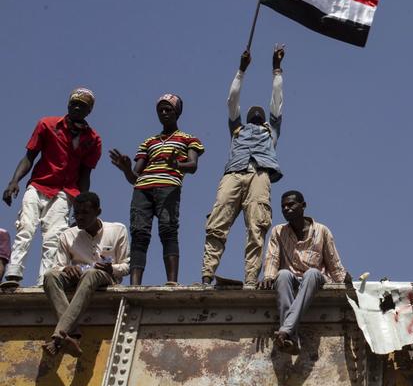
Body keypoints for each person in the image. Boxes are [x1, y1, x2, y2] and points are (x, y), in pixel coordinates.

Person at [202, 45, 285, 288]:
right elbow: (232, 100)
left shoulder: (272, 130)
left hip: (260, 174)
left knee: (256, 227)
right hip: (234, 174)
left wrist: (276, 70)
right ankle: (207, 274)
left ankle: (250, 279)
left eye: (261, 113)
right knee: (218, 222)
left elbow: (277, 101)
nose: (258, 114)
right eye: (253, 113)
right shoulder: (237, 129)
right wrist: (241, 70)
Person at [3, 87, 102, 285]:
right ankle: (14, 273)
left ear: (88, 111)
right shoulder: (47, 125)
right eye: (73, 103)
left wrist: (81, 205)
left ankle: (45, 280)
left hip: (65, 193)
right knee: (26, 228)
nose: (76, 107)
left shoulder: (93, 140)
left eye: (81, 106)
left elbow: (85, 174)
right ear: (67, 104)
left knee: (54, 238)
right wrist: (14, 181)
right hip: (39, 185)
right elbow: (29, 157)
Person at [110, 94, 204, 286]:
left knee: (168, 231)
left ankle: (171, 282)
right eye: (160, 110)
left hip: (168, 187)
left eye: (168, 109)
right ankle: (135, 284)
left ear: (177, 112)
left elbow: (193, 166)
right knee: (139, 234)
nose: (163, 113)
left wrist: (176, 163)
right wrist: (126, 169)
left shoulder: (188, 139)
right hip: (142, 189)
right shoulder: (149, 142)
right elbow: (134, 177)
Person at [259, 190, 350, 354]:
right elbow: (272, 258)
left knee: (312, 273)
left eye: (291, 204)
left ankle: (285, 330)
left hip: (314, 280)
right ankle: (289, 338)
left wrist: (345, 282)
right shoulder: (278, 231)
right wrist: (268, 276)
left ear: (303, 206)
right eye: (283, 206)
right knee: (282, 274)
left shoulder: (322, 231)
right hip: (292, 279)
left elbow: (333, 262)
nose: (286, 209)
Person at [41, 192, 129, 357]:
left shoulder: (118, 230)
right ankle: (72, 335)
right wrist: (66, 268)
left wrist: (111, 269)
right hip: (78, 278)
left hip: (105, 277)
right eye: (76, 213)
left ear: (98, 212)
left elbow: (126, 266)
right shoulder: (68, 235)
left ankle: (57, 338)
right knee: (50, 276)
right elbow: (58, 265)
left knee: (91, 273)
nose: (79, 217)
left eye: (85, 213)